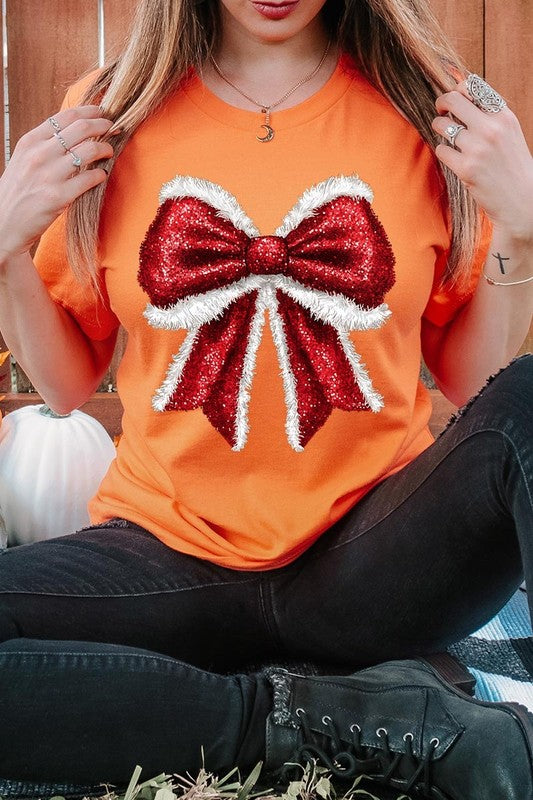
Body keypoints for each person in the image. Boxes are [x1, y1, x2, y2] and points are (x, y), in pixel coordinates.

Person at [0, 0, 532, 796]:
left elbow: (470, 377)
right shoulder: (110, 111)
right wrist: (5, 245)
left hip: (377, 557)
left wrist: (523, 229)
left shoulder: (435, 103)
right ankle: (310, 718)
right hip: (166, 557)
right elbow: (67, 383)